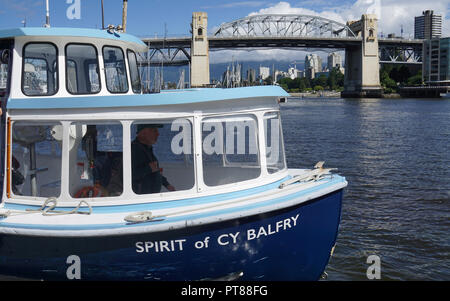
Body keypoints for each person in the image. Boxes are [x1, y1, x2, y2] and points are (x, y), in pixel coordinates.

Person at [131, 123, 175, 194]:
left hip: (149, 196)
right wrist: (149, 168)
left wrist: (167, 184)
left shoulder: (147, 148)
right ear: (143, 133)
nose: (158, 134)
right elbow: (128, 175)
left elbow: (155, 171)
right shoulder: (134, 150)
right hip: (141, 199)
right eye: (154, 131)